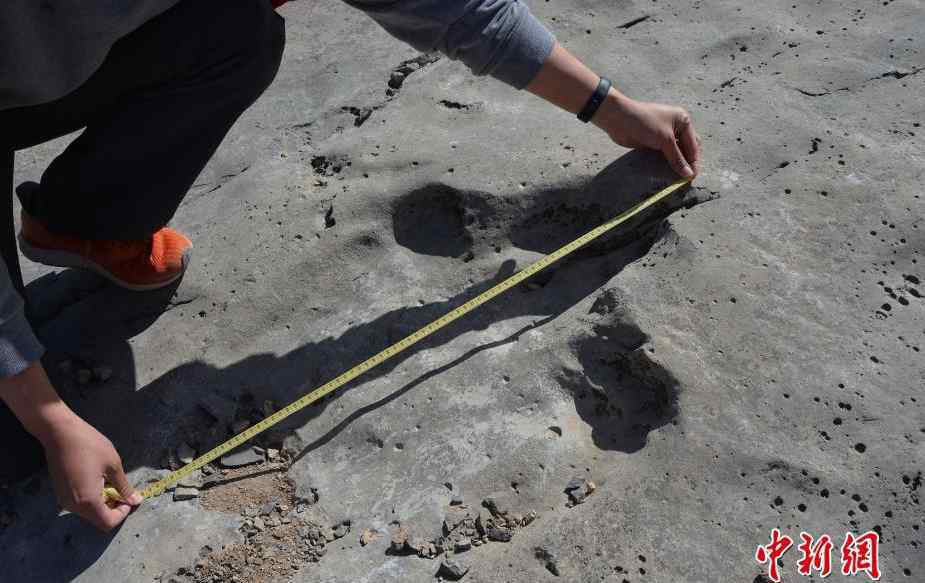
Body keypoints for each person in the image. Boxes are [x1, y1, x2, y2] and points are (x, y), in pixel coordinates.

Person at [0, 0, 700, 532]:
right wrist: (50, 416)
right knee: (18, 446)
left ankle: (85, 222)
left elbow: (461, 11)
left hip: (61, 60)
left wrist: (608, 106)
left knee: (237, 31)